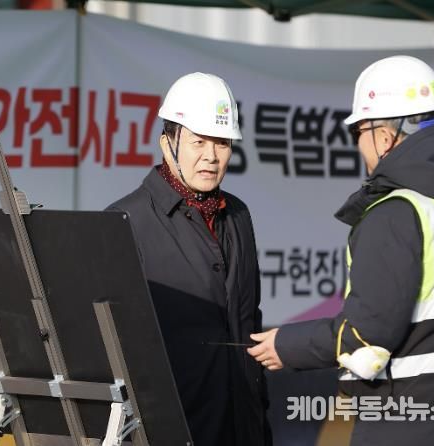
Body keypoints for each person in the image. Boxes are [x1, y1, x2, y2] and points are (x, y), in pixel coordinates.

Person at [247, 55, 434, 445]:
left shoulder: (396, 214)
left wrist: (286, 345)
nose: (358, 145)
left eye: (358, 132)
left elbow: (366, 335)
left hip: (407, 421)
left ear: (384, 136)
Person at [108, 72, 272, 445]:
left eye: (222, 143)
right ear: (167, 144)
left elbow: (249, 321)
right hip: (170, 431)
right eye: (198, 141)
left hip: (242, 428)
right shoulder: (126, 221)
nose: (211, 156)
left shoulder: (238, 216)